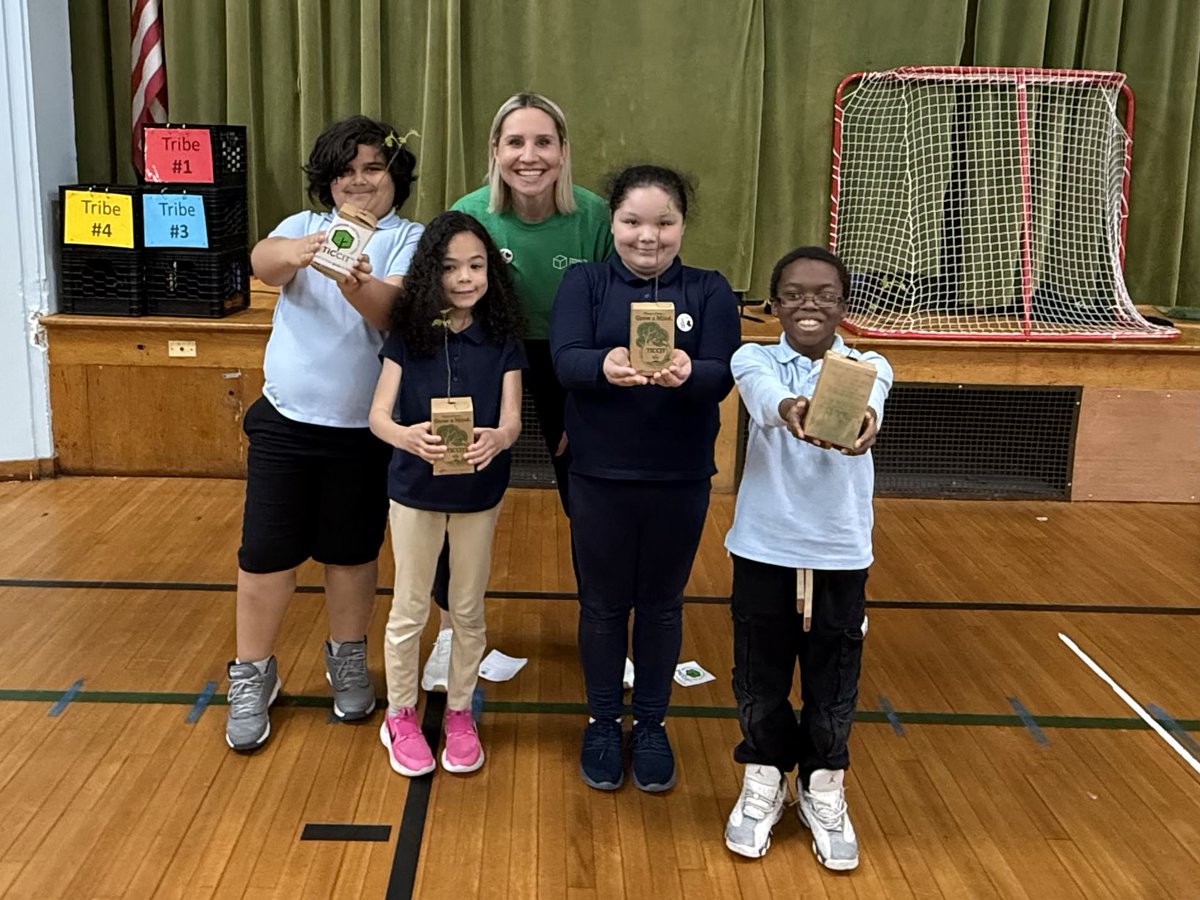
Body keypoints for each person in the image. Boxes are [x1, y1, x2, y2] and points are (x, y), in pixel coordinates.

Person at [225, 116, 422, 751]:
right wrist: (304, 252)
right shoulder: (302, 228)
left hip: (364, 430)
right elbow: (262, 264)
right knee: (265, 555)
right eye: (346, 171)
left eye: (372, 168)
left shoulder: (409, 240)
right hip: (285, 422)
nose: (359, 182)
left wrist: (354, 278)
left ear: (394, 175)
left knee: (352, 554)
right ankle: (252, 671)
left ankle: (346, 657)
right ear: (327, 182)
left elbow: (395, 313)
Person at [550, 164, 741, 792]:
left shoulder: (710, 291)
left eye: (664, 222)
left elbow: (722, 374)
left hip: (679, 475)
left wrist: (692, 371)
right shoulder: (585, 282)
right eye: (633, 221)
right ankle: (604, 720)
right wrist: (604, 363)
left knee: (661, 607)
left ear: (683, 224)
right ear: (613, 223)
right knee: (602, 605)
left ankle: (653, 724)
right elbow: (565, 360)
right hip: (600, 474)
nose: (648, 236)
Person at [414, 92, 612, 693]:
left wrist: (592, 403)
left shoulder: (596, 216)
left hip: (569, 361)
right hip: (483, 357)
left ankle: (603, 629)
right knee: (458, 488)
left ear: (563, 151)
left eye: (544, 142)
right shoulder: (470, 213)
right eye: (516, 142)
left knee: (590, 496)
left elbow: (611, 308)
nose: (531, 156)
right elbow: (442, 300)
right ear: (495, 151)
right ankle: (452, 633)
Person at [722, 246, 892, 869]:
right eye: (793, 293)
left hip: (840, 554)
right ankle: (764, 776)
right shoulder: (753, 356)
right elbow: (764, 394)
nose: (809, 304)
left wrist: (863, 421)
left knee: (833, 681)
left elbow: (872, 404)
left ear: (844, 305)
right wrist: (791, 411)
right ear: (775, 305)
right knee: (759, 678)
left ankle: (824, 785)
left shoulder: (870, 362)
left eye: (824, 293)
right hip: (763, 547)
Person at [368, 211, 526, 776]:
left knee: (467, 609)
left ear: (492, 272)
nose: (465, 278)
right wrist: (406, 437)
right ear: (429, 273)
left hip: (479, 494)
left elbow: (511, 422)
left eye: (477, 265)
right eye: (451, 267)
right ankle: (401, 714)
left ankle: (460, 711)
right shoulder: (407, 339)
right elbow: (378, 418)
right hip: (413, 490)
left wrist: (497, 439)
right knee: (409, 608)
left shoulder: (503, 339)